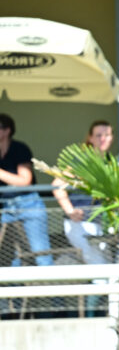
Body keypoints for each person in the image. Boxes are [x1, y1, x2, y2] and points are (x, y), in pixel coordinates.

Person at [53, 120, 115, 265]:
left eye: (106, 135)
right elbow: (57, 185)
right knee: (98, 266)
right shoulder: (82, 160)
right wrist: (70, 211)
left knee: (109, 264)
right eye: (98, 135)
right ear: (91, 138)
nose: (103, 139)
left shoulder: (109, 161)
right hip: (80, 223)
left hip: (102, 223)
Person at [0, 113, 53, 267]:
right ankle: (14, 290)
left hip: (29, 205)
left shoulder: (19, 148)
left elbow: (25, 180)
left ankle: (51, 290)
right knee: (11, 256)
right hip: (5, 209)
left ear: (7, 130)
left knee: (41, 252)